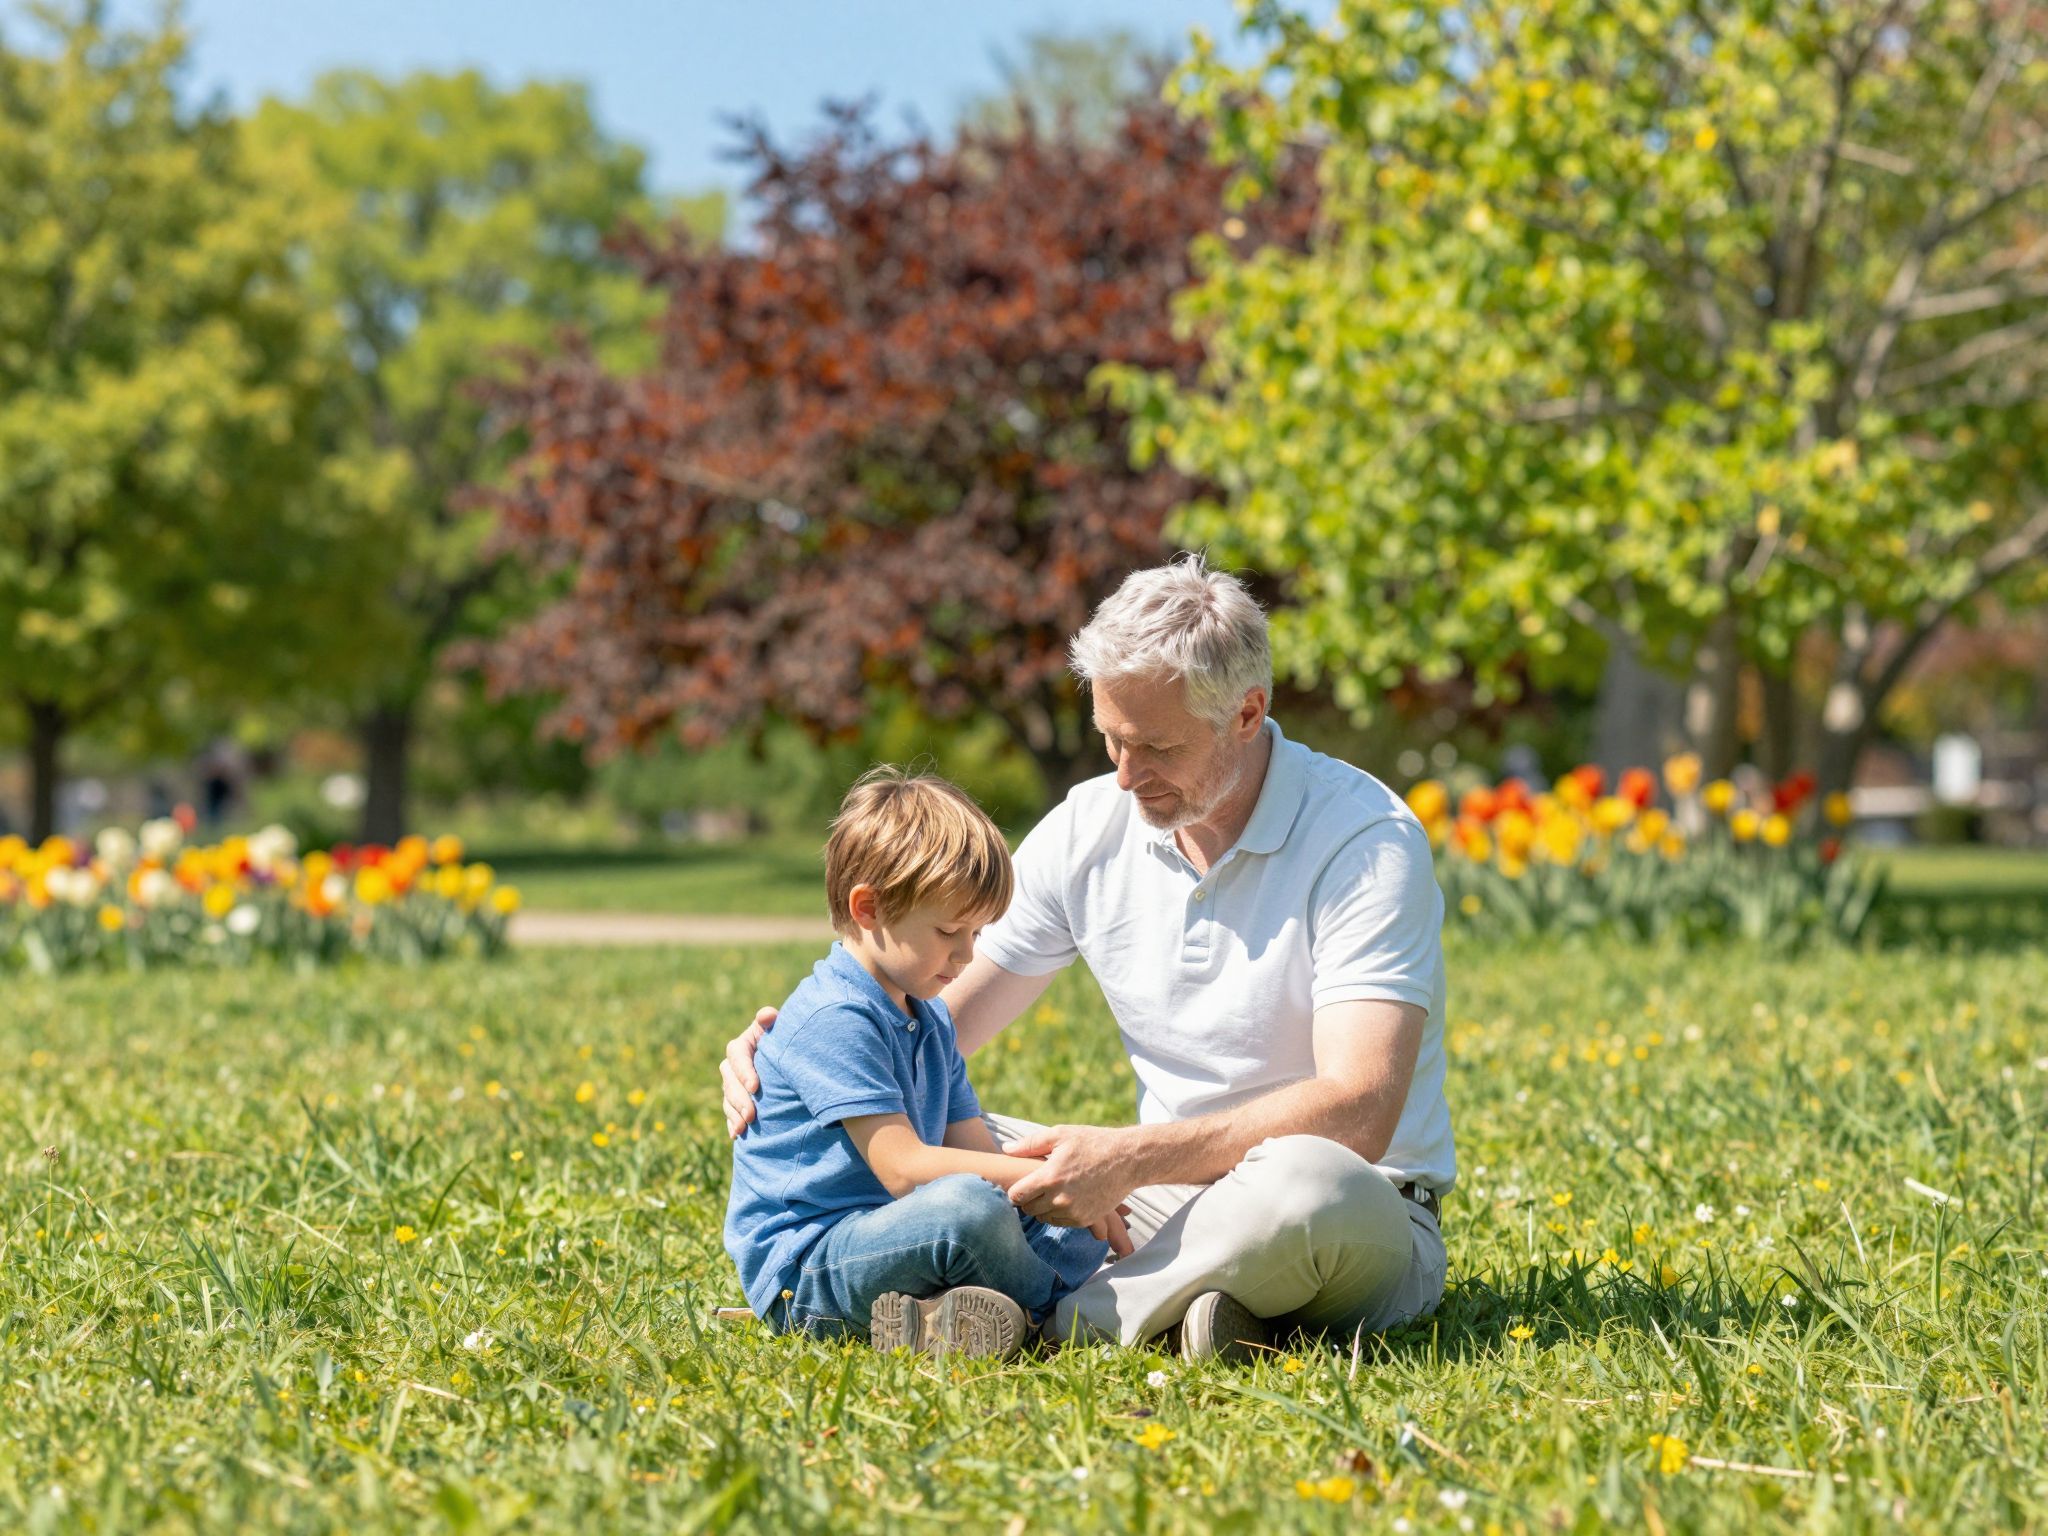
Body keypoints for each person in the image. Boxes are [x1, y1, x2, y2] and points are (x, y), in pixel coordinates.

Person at [724, 557, 1453, 1361]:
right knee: (932, 1140)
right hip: (1146, 1204)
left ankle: (1045, 1324)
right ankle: (1194, 1317)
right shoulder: (1091, 826)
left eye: (1157, 747)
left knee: (1307, 1185)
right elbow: (927, 1014)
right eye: (1111, 738)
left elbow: (1361, 1110)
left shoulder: (1362, 840)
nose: (1126, 774)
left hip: (1346, 1206)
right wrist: (790, 1056)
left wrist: (1128, 1156)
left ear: (1247, 714)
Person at [722, 767, 1109, 1358]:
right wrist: (1052, 1177)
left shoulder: (929, 1019)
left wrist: (1064, 1191)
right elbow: (904, 1168)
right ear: (870, 907)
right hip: (812, 1267)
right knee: (969, 1209)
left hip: (899, 1233)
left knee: (1069, 1220)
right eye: (950, 930)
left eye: (977, 932)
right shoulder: (835, 1016)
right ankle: (1060, 1319)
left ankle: (943, 1318)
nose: (967, 955)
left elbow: (978, 1152)